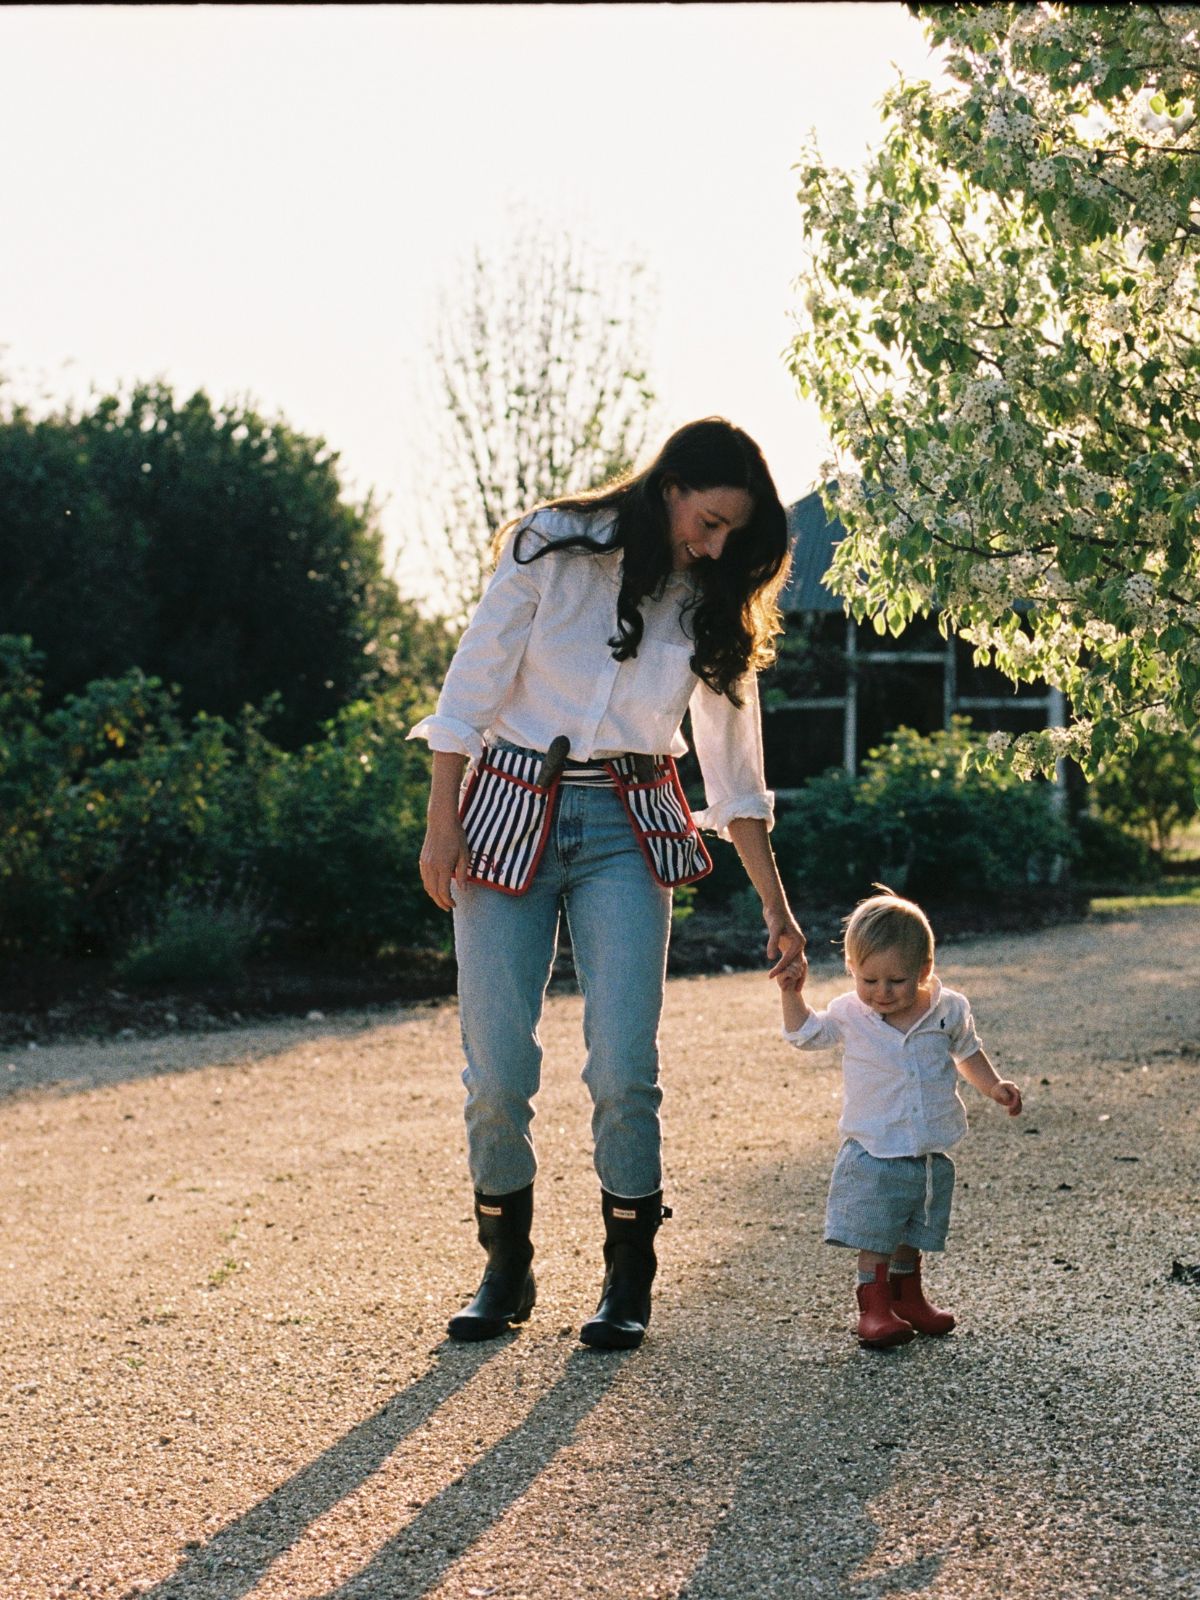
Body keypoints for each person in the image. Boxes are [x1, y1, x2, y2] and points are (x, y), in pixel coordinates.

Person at [409, 417, 806, 1351]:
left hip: (632, 824)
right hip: (504, 812)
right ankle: (505, 1265)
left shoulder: (709, 600)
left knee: (624, 1067)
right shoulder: (550, 546)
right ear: (669, 487)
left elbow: (733, 773)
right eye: (707, 523)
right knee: (498, 1072)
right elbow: (467, 696)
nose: (713, 547)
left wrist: (778, 910)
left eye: (729, 538)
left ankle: (629, 1279)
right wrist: (439, 822)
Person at [777, 888, 1022, 1349]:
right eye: (868, 980)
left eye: (896, 981)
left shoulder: (948, 1011)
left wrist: (993, 1087)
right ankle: (873, 1307)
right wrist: (792, 993)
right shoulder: (850, 1013)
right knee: (878, 1230)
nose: (881, 993)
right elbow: (804, 1035)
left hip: (926, 1146)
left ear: (924, 971)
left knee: (912, 1227)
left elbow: (968, 1053)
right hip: (874, 1147)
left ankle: (908, 1297)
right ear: (851, 970)